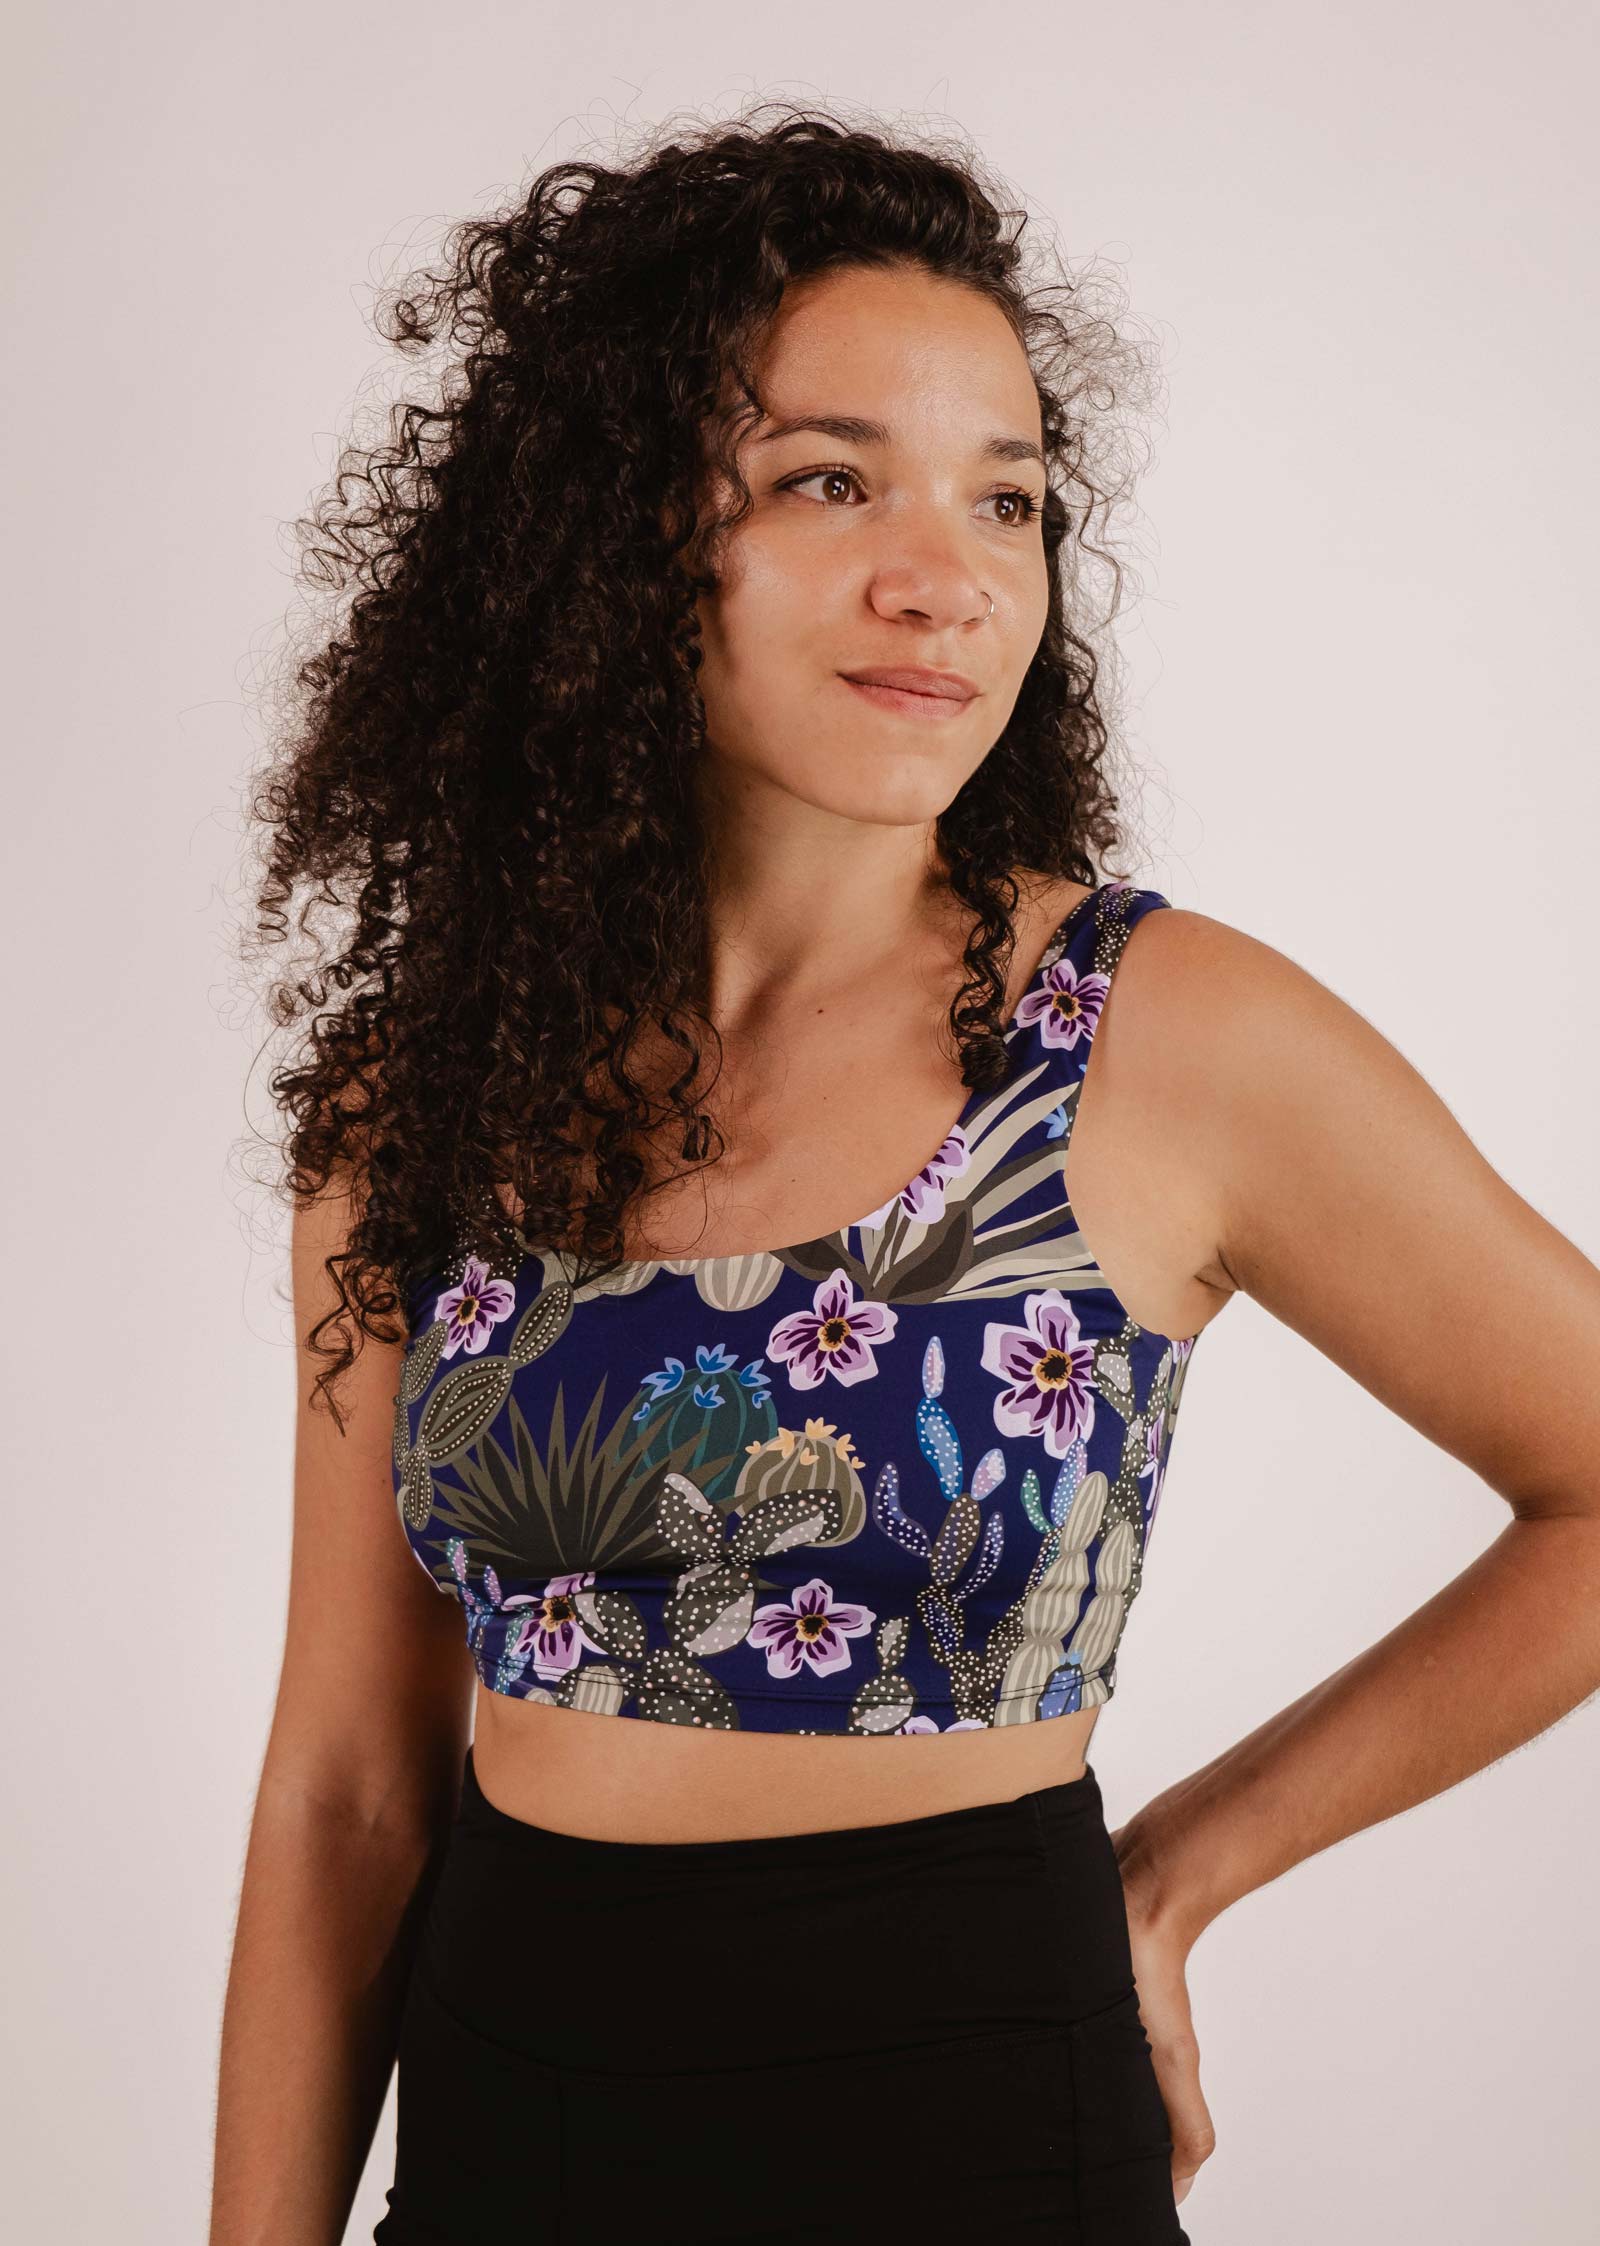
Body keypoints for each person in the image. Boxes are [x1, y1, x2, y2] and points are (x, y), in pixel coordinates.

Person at [209, 102, 1600, 2246]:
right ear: (612, 538)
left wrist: (1180, 1866)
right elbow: (347, 1786)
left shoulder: (1159, 1037)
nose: (941, 574)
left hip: (963, 2125)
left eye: (1007, 498)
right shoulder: (422, 1087)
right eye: (825, 479)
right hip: (503, 2134)